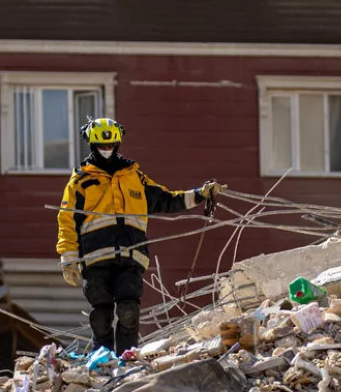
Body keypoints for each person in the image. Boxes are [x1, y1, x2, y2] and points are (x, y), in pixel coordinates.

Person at [57, 118, 226, 354]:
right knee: (101, 316)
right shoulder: (80, 182)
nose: (107, 150)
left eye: (111, 145)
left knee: (128, 312)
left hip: (131, 257)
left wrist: (201, 194)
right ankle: (102, 360)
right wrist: (69, 259)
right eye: (101, 146)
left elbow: (168, 199)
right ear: (91, 145)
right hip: (96, 260)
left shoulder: (135, 177)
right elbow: (67, 220)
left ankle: (128, 358)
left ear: (118, 144)